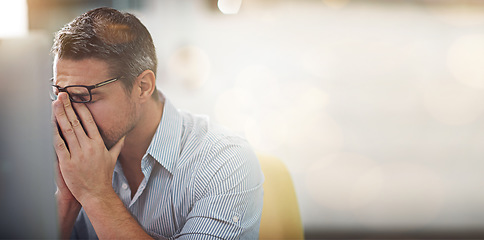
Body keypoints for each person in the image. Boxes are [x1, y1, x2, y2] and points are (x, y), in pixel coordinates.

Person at [51, 7, 264, 239]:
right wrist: (68, 199)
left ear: (143, 87)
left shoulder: (225, 163)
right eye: (59, 94)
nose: (67, 112)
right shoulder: (74, 163)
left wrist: (96, 194)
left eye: (83, 96)